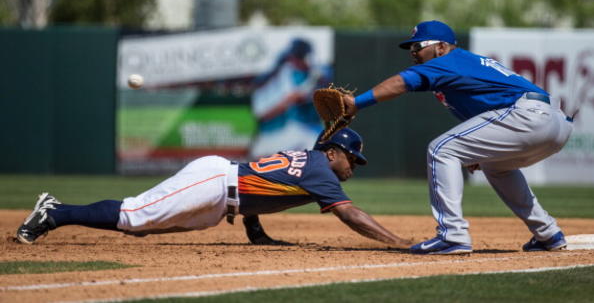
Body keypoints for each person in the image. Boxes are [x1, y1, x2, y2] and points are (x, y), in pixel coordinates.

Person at [343, 20, 574, 255]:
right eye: (410, 48)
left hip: (528, 116)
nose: (413, 52)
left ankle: (452, 234)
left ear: (441, 47)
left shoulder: (446, 62)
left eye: (418, 46)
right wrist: (480, 150)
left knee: (441, 149)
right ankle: (548, 234)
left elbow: (400, 82)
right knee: (496, 167)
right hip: (554, 124)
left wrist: (355, 103)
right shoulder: (459, 65)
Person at [16, 128, 412, 249]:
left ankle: (58, 209)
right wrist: (395, 242)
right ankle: (53, 213)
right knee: (135, 213)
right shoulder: (321, 172)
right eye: (352, 160)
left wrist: (257, 233)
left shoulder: (308, 162)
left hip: (223, 195)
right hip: (215, 183)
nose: (352, 168)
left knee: (141, 225)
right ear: (333, 153)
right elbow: (350, 213)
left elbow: (263, 186)